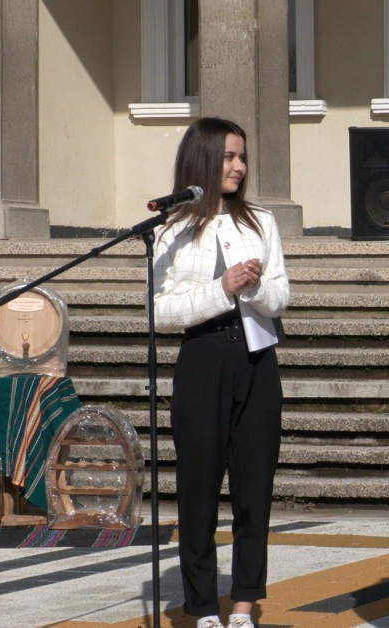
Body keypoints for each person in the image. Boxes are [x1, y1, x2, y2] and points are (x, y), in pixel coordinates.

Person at [154, 117, 289, 628]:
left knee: (254, 491)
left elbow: (281, 296)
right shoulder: (171, 229)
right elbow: (159, 312)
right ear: (204, 159)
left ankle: (244, 605)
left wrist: (252, 287)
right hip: (202, 360)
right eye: (229, 157)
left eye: (242, 157)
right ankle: (203, 608)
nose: (239, 167)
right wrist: (222, 289)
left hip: (256, 360)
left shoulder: (261, 221)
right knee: (199, 491)